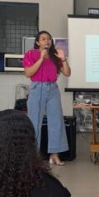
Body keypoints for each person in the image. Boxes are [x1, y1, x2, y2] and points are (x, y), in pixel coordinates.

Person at [23, 31, 71, 166]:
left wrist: (63, 59)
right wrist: (40, 59)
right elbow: (28, 73)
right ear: (38, 42)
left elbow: (67, 73)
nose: (47, 41)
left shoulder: (55, 55)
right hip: (37, 88)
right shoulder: (31, 54)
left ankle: (55, 154)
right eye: (43, 39)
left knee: (56, 121)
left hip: (52, 89)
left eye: (49, 39)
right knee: (34, 121)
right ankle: (34, 156)